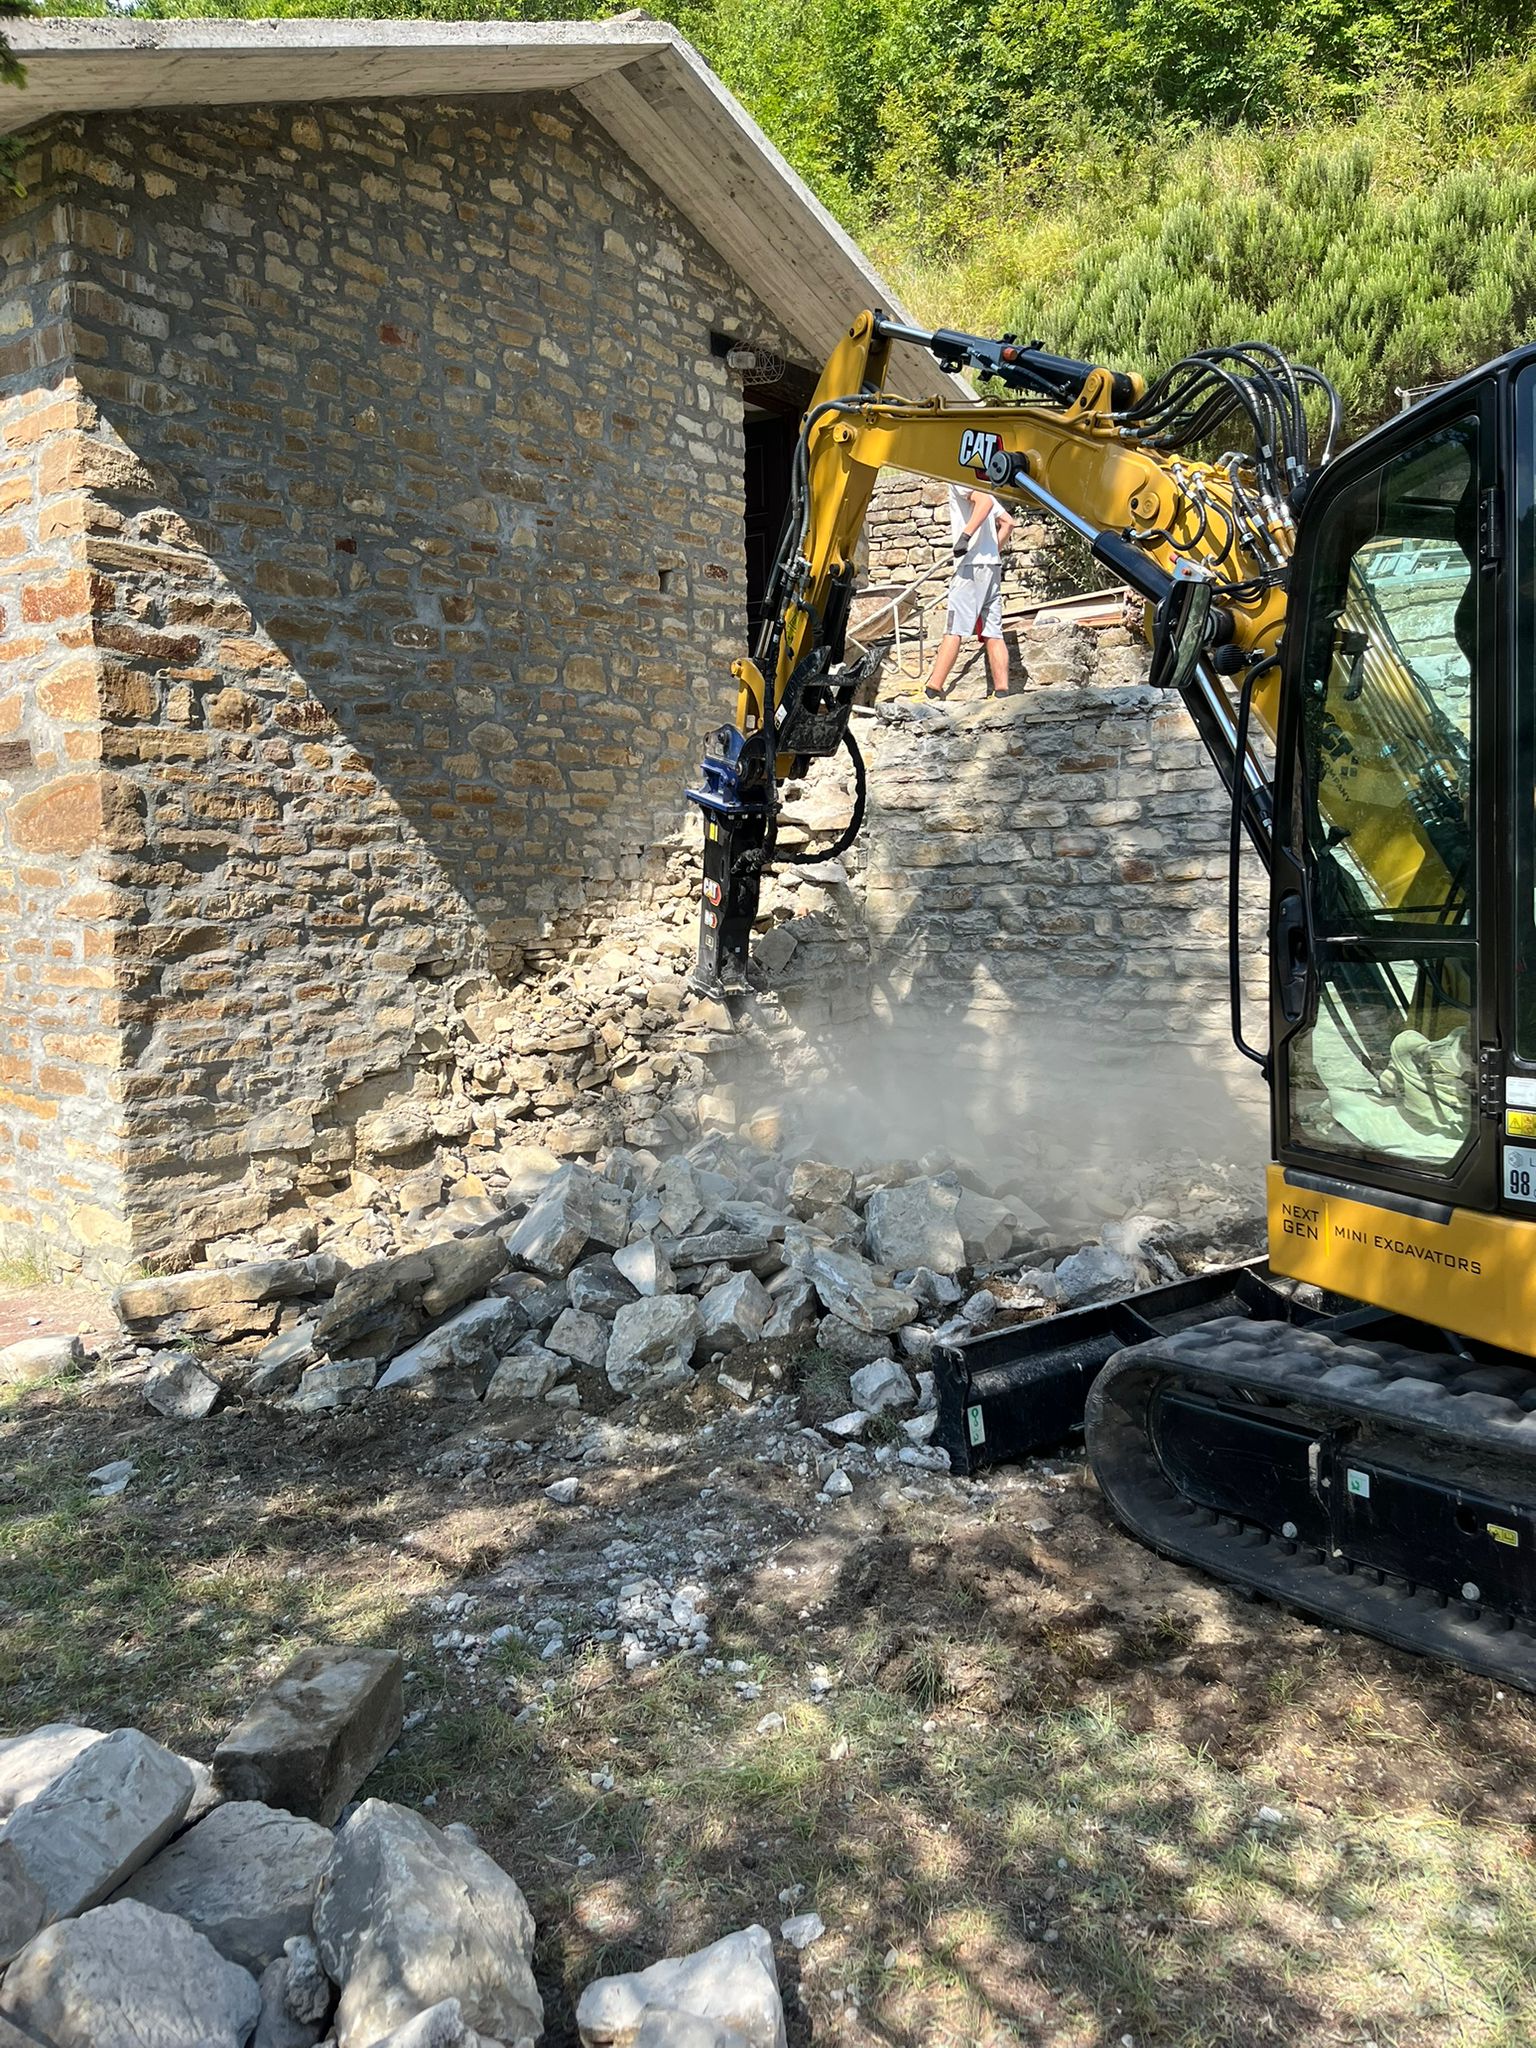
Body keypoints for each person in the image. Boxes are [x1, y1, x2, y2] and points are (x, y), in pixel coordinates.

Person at [924, 484, 1015, 700]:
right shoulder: (980, 483)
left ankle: (933, 689)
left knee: (954, 628)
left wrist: (965, 537)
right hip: (992, 566)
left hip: (970, 566)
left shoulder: (958, 479)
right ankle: (1002, 691)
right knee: (993, 631)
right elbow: (1008, 523)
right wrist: (992, 552)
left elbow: (984, 501)